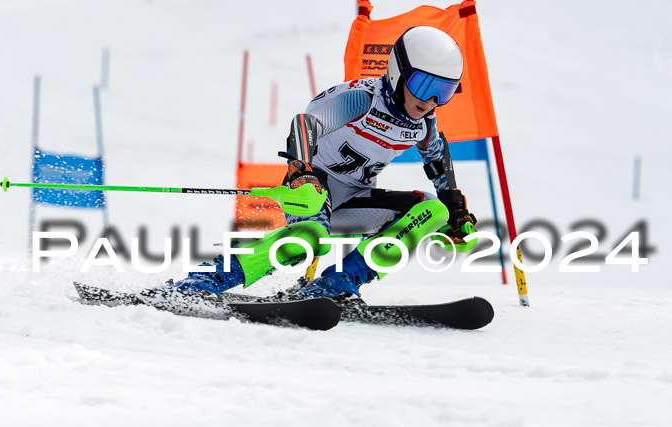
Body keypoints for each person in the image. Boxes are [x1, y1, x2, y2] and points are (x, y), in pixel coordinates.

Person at [171, 26, 477, 299]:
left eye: (444, 91)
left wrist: (454, 205)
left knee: (432, 210)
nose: (431, 102)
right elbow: (306, 124)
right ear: (399, 73)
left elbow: (436, 154)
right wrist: (301, 170)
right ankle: (206, 278)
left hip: (356, 197)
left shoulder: (423, 123)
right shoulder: (364, 98)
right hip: (314, 188)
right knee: (306, 240)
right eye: (425, 86)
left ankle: (338, 283)